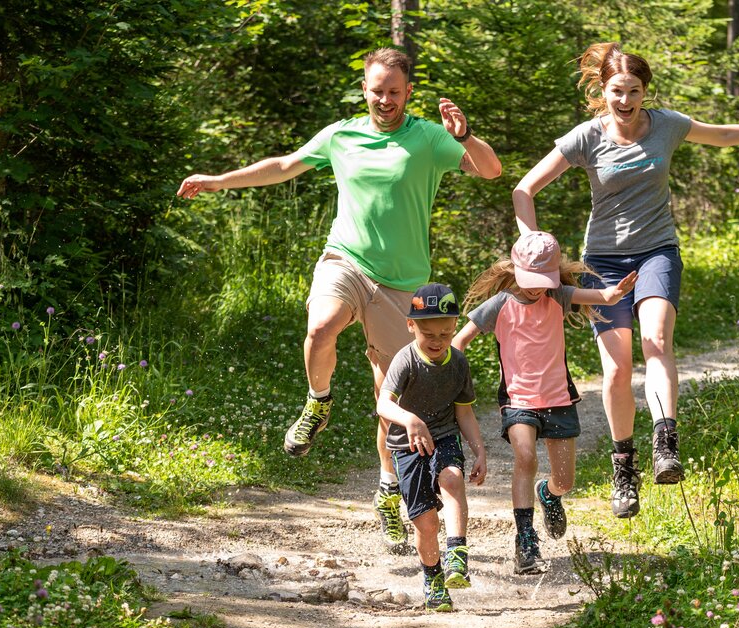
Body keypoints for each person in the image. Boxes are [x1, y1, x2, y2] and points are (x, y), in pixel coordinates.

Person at [176, 48, 501, 550]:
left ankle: (389, 489)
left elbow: (491, 171)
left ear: (408, 91)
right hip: (345, 261)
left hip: (403, 286)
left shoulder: (429, 138)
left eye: (395, 91)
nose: (385, 99)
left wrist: (464, 136)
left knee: (389, 399)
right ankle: (318, 402)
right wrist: (219, 181)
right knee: (320, 328)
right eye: (377, 90)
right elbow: (283, 165)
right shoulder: (342, 134)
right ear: (364, 88)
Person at [512, 42, 739, 518]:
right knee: (618, 370)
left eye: (634, 91)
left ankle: (666, 443)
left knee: (656, 339)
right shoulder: (586, 137)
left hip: (658, 251)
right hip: (603, 261)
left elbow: (721, 135)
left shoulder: (666, 126)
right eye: (617, 91)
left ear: (645, 92)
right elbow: (524, 189)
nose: (625, 100)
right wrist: (533, 245)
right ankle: (625, 468)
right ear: (603, 90)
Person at [452, 232, 636, 574]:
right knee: (525, 457)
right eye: (531, 280)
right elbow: (459, 341)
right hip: (518, 399)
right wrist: (450, 379)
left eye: (544, 280)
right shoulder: (500, 304)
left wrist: (616, 292)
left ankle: (549, 494)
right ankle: (525, 541)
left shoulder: (559, 296)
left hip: (558, 398)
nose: (537, 288)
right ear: (517, 270)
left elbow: (604, 296)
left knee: (564, 480)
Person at [376, 283, 487, 612]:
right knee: (425, 523)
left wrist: (479, 450)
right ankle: (433, 578)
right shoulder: (404, 361)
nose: (438, 341)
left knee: (453, 478)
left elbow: (464, 412)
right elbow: (384, 404)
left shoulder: (458, 363)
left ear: (455, 326)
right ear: (411, 326)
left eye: (445, 333)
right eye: (429, 334)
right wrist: (409, 419)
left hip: (444, 434)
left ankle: (457, 554)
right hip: (406, 445)